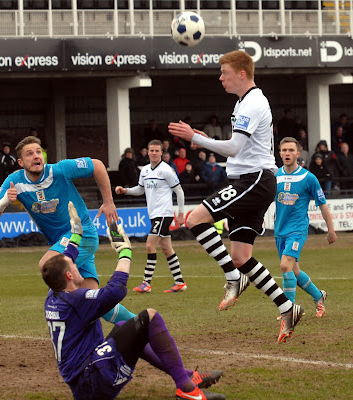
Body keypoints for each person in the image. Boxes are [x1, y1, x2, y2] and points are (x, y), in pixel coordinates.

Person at [168, 50, 304, 343]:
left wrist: (195, 137)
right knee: (241, 256)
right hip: (253, 180)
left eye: (225, 73)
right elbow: (237, 146)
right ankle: (287, 308)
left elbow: (232, 148)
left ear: (241, 74)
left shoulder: (252, 103)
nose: (221, 77)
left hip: (254, 180)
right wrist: (203, 138)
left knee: (195, 219)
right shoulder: (246, 101)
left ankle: (232, 277)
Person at [42, 205, 225, 400]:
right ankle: (187, 390)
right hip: (93, 380)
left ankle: (187, 377)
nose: (77, 265)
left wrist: (77, 234)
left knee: (127, 327)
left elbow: (67, 258)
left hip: (82, 382)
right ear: (69, 275)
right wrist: (124, 251)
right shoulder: (77, 300)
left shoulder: (54, 294)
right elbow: (115, 291)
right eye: (74, 266)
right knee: (150, 317)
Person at [0, 135, 134, 325]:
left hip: (82, 234)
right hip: (64, 242)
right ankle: (141, 325)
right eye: (29, 154)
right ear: (21, 162)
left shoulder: (60, 169)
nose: (36, 156)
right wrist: (6, 200)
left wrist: (108, 201)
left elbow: (97, 165)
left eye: (38, 152)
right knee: (93, 301)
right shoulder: (15, 181)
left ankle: (65, 322)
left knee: (48, 266)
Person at [275, 137, 337, 318]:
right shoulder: (275, 176)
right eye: (284, 150)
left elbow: (322, 204)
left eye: (291, 150)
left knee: (285, 265)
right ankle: (319, 296)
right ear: (279, 153)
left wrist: (331, 230)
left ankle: (289, 310)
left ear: (298, 154)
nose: (287, 153)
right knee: (294, 270)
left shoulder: (308, 178)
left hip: (298, 229)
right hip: (279, 231)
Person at [115, 140, 187, 293]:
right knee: (167, 248)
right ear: (147, 152)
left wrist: (180, 214)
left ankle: (146, 282)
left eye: (157, 151)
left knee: (149, 245)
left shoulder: (167, 170)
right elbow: (141, 190)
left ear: (162, 153)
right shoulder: (145, 170)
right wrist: (125, 191)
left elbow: (179, 191)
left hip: (164, 214)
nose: (154, 153)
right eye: (151, 150)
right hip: (154, 214)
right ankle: (180, 282)